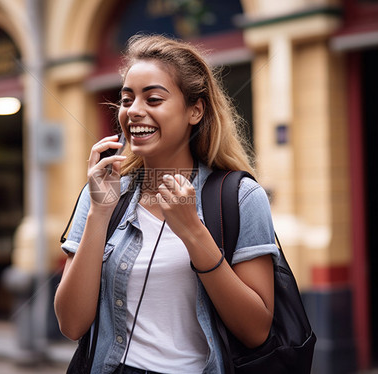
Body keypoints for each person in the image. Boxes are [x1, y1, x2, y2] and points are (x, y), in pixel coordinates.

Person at [54, 34, 279, 374]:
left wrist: (193, 232)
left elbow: (255, 330)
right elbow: (71, 324)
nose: (134, 111)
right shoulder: (100, 193)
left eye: (154, 99)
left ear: (195, 110)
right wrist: (100, 212)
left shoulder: (240, 197)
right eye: (127, 100)